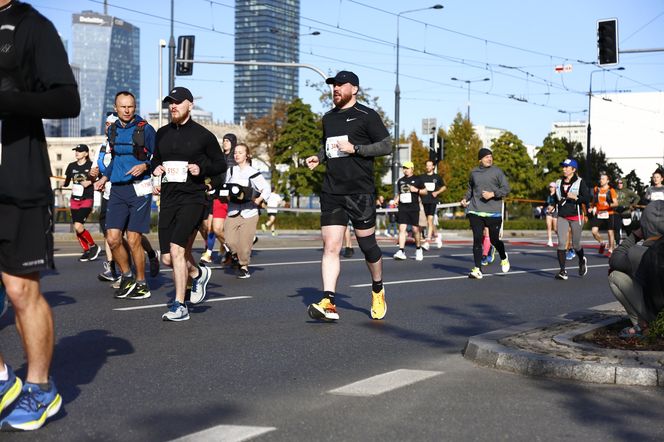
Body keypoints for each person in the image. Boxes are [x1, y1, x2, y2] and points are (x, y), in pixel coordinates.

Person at [0, 0, 80, 430]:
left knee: (19, 290)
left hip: (16, 179)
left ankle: (40, 387)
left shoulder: (32, 26)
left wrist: (9, 101)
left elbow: (68, 99)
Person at [305, 70, 391, 321]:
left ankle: (377, 288)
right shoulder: (328, 117)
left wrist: (357, 149)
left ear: (354, 89)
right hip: (332, 190)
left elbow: (386, 145)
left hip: (360, 191)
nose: (335, 89)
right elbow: (328, 146)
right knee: (331, 247)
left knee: (367, 245)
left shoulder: (367, 115)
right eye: (333, 85)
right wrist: (318, 157)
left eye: (340, 85)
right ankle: (329, 302)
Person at [152, 87, 226, 321]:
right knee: (167, 258)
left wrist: (201, 169)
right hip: (169, 197)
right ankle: (197, 274)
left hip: (193, 197)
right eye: (170, 103)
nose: (173, 106)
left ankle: (179, 305)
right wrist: (156, 168)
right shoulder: (161, 133)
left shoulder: (203, 135)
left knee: (177, 250)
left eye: (177, 102)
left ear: (190, 105)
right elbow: (156, 158)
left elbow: (220, 164)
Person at [93, 91, 156, 300]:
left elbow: (159, 158)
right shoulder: (112, 131)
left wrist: (145, 164)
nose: (127, 110)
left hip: (140, 189)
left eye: (130, 106)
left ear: (135, 107)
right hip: (118, 189)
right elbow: (115, 160)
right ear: (116, 107)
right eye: (123, 106)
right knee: (112, 239)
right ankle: (126, 275)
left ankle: (141, 283)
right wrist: (105, 177)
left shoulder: (145, 129)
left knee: (133, 239)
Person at [608, 200, 664, 338]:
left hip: (658, 314)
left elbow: (614, 259)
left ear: (644, 225)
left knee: (615, 276)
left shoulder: (636, 253)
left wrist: (635, 235)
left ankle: (642, 325)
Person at [460, 148, 511, 279]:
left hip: (493, 212)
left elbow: (506, 188)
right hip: (476, 210)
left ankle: (504, 257)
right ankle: (477, 269)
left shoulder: (497, 172)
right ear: (480, 159)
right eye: (487, 157)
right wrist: (465, 199)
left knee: (494, 240)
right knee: (477, 239)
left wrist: (492, 194)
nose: (490, 159)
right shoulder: (474, 172)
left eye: (491, 156)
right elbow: (470, 189)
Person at [223, 143, 270, 279]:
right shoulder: (231, 171)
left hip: (249, 212)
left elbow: (266, 189)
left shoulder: (253, 172)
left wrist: (259, 199)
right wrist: (225, 194)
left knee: (244, 246)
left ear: (247, 155)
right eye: (235, 152)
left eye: (240, 152)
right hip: (233, 211)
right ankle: (236, 256)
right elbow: (226, 187)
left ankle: (243, 267)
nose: (236, 155)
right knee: (230, 241)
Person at [553, 158, 590, 280]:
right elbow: (555, 198)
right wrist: (551, 206)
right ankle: (562, 271)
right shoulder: (558, 182)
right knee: (562, 243)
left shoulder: (580, 182)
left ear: (573, 169)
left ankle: (581, 259)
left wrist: (576, 197)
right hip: (562, 216)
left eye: (566, 167)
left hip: (576, 216)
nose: (564, 169)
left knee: (576, 244)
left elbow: (586, 198)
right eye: (563, 167)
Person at [64, 144, 100, 262]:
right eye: (76, 151)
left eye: (80, 151)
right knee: (77, 227)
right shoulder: (71, 166)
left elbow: (100, 178)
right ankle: (86, 250)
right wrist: (64, 184)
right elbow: (67, 181)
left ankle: (94, 246)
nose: (77, 153)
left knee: (78, 226)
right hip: (74, 200)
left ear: (86, 153)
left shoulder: (91, 165)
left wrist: (89, 182)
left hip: (87, 199)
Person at [393, 161, 427, 261]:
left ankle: (418, 248)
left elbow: (425, 191)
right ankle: (401, 250)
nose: (405, 170)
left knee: (415, 230)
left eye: (407, 168)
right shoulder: (401, 181)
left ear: (412, 169)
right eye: (404, 168)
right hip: (403, 207)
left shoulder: (418, 179)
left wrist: (416, 190)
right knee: (402, 229)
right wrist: (397, 199)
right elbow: (400, 193)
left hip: (414, 207)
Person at [589, 171, 618, 256]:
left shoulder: (611, 190)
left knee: (610, 232)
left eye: (603, 179)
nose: (601, 180)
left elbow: (616, 203)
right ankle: (602, 243)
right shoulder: (596, 189)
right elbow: (594, 200)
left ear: (607, 181)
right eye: (600, 178)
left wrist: (609, 204)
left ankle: (611, 249)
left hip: (609, 212)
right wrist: (592, 207)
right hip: (599, 212)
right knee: (594, 231)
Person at [420, 159, 446, 249]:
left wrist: (437, 192)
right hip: (423, 201)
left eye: (430, 165)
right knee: (427, 221)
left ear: (433, 167)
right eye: (427, 165)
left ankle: (427, 241)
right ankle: (437, 235)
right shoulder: (422, 177)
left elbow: (444, 187)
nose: (428, 167)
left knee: (429, 220)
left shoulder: (437, 177)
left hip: (432, 201)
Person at [613, 177, 639, 244]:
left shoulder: (628, 191)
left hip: (626, 212)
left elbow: (637, 197)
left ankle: (632, 243)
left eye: (621, 183)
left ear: (624, 183)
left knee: (628, 229)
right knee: (617, 229)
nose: (619, 184)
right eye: (618, 183)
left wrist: (633, 205)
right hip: (616, 212)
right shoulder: (614, 191)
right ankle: (617, 244)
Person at [544, 182, 559, 247]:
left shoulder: (557, 195)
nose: (550, 188)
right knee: (548, 226)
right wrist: (544, 206)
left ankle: (559, 238)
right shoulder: (548, 195)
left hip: (555, 212)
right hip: (548, 212)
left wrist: (553, 207)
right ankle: (550, 241)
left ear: (555, 188)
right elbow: (546, 203)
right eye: (550, 187)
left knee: (555, 228)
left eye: (552, 187)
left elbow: (558, 203)